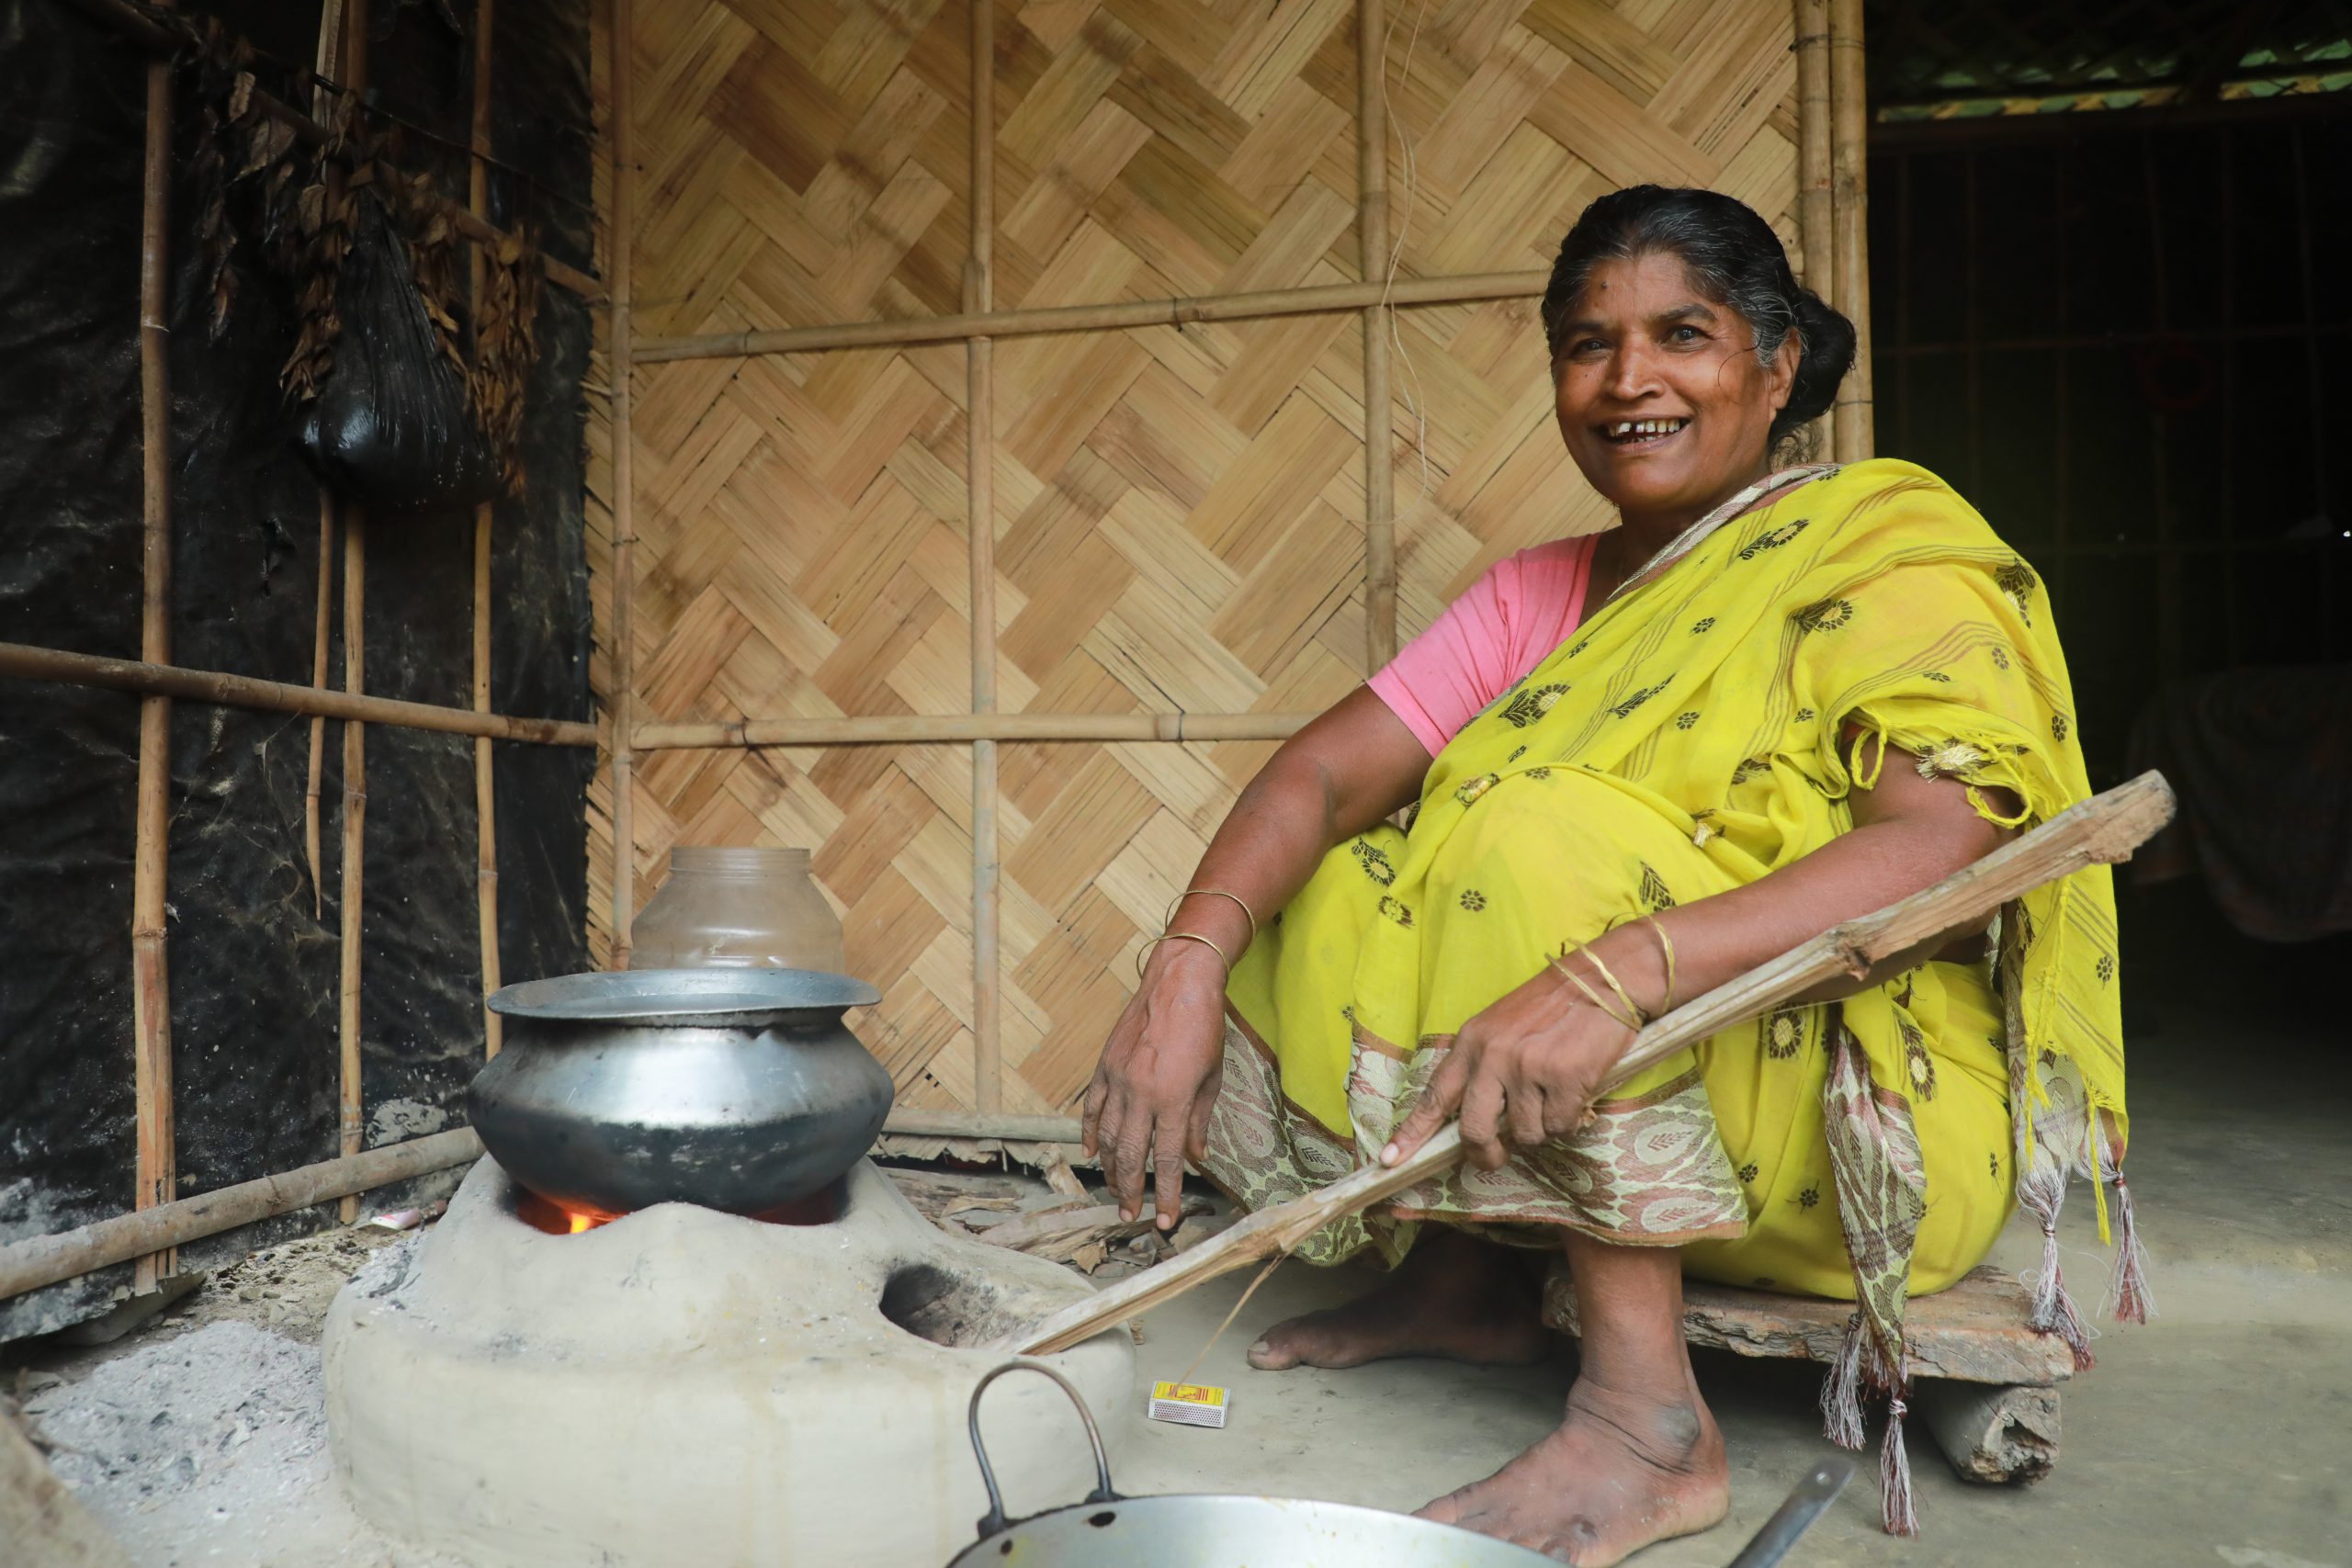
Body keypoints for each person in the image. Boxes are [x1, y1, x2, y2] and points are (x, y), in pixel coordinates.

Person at [1079, 186, 2144, 1562]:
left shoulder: (1877, 553)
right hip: (1668, 1096)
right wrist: (1186, 960)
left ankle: (1650, 1423)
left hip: (1854, 1126)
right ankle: (1463, 1275)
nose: (1629, 379)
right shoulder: (1544, 591)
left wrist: (1625, 965)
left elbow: (1947, 846)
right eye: (1588, 346)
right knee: (1342, 881)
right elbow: (1321, 777)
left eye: (1682, 335)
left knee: (1534, 835)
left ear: (1774, 370)